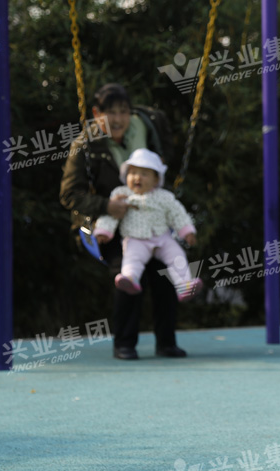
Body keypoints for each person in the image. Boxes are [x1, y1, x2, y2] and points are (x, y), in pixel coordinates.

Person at [60, 83, 189, 361]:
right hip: (109, 224)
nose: (118, 119)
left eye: (123, 112)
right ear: (97, 113)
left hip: (149, 221)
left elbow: (165, 154)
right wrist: (107, 206)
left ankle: (166, 342)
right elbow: (69, 195)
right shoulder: (85, 146)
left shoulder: (147, 130)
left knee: (164, 270)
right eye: (110, 113)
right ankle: (125, 343)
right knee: (127, 273)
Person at [93, 148, 202, 302]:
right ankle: (130, 279)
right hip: (135, 239)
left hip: (163, 238)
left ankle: (185, 284)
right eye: (133, 173)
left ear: (156, 180)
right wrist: (104, 230)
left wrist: (186, 231)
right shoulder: (122, 194)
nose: (137, 177)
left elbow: (177, 213)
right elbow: (111, 215)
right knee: (132, 258)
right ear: (126, 176)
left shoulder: (164, 197)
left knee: (176, 255)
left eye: (144, 174)